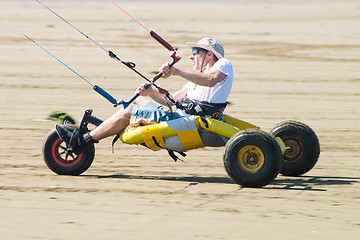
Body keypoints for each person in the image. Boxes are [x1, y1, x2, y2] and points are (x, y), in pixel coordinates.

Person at [56, 37, 233, 154]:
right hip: (179, 119)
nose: (191, 56)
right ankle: (103, 130)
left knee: (130, 110)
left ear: (209, 54)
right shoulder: (193, 82)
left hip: (189, 124)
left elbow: (211, 80)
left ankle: (82, 141)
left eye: (195, 52)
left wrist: (176, 71)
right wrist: (151, 93)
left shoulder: (223, 64)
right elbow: (169, 101)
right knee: (138, 100)